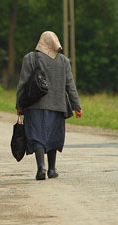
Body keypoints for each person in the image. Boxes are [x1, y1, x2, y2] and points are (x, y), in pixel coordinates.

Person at [16, 31, 82, 180]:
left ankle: (41, 167)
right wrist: (76, 105)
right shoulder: (64, 61)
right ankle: (52, 169)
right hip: (58, 106)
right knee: (53, 136)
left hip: (34, 106)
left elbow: (23, 83)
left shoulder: (30, 58)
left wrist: (19, 105)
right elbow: (70, 85)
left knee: (37, 136)